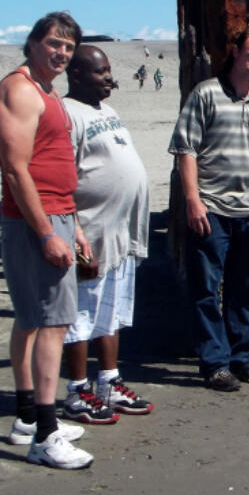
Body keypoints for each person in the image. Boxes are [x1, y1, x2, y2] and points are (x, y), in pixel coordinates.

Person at [0, 11, 93, 469]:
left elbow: (53, 160)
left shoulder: (46, 92)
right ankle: (46, 436)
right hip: (37, 220)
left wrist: (74, 223)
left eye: (68, 48)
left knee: (33, 318)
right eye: (54, 43)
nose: (61, 53)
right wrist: (49, 232)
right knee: (52, 321)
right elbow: (16, 169)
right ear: (32, 43)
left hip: (57, 213)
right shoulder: (18, 89)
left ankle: (29, 417)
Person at [168, 25, 249, 391]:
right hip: (212, 208)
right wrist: (193, 200)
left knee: (245, 289)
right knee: (206, 288)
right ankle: (214, 362)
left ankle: (242, 357)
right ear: (235, 53)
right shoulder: (206, 94)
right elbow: (186, 151)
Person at [62, 46, 153, 422]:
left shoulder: (108, 111)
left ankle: (109, 381)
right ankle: (78, 390)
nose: (109, 78)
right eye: (100, 72)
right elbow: (62, 181)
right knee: (82, 313)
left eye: (109, 70)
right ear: (77, 75)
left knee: (112, 312)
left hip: (120, 234)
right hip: (91, 234)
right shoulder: (68, 114)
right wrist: (77, 235)